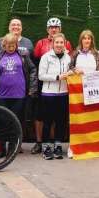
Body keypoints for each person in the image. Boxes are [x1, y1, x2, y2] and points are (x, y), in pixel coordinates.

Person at [32, 18, 71, 154]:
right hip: (48, 93)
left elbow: (71, 69)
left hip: (63, 93)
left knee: (61, 121)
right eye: (57, 42)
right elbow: (41, 75)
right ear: (53, 43)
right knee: (47, 120)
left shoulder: (68, 57)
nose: (59, 44)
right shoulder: (46, 56)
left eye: (61, 42)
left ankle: (58, 145)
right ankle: (46, 146)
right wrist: (57, 77)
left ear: (64, 43)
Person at [0, 33, 38, 158]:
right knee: (2, 121)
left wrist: (31, 88)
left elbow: (33, 70)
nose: (10, 48)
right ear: (4, 45)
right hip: (2, 94)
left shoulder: (23, 55)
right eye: (8, 45)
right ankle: (1, 148)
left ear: (16, 45)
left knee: (15, 120)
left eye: (13, 45)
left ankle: (12, 148)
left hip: (19, 94)